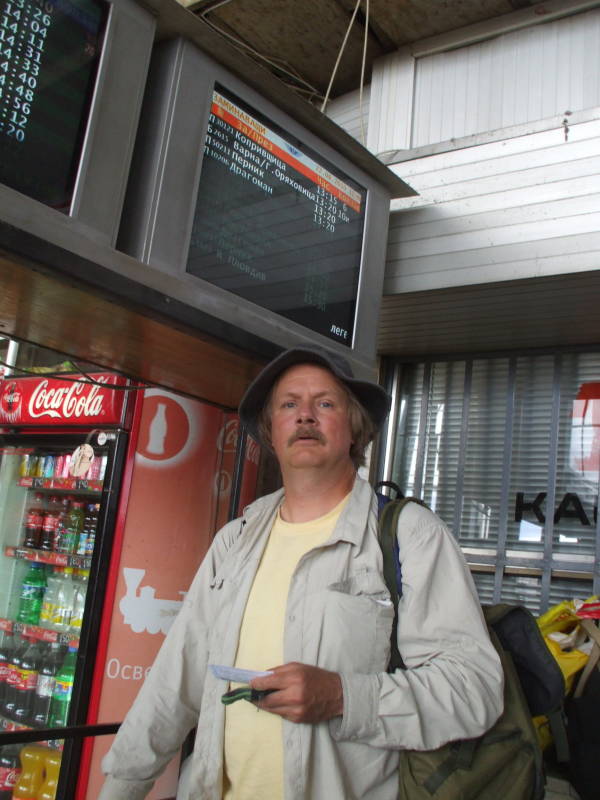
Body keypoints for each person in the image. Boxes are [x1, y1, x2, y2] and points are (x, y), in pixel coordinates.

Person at [99, 344, 504, 800]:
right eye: (289, 404)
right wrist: (123, 786)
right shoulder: (236, 539)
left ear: (354, 428)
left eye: (325, 403)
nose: (305, 416)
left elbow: (474, 691)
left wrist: (342, 696)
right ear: (271, 432)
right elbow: (177, 677)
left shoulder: (409, 535)